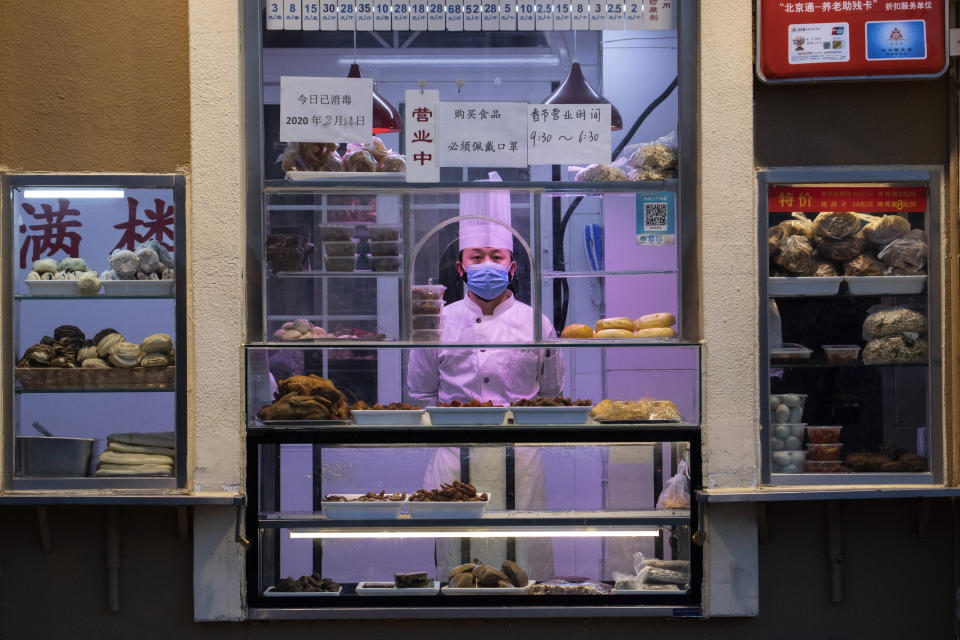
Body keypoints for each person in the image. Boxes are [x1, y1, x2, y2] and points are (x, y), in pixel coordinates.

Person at [407, 173, 565, 580]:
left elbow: (552, 393)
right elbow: (421, 392)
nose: (487, 265)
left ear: (512, 265)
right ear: (461, 266)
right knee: (458, 555)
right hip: (455, 457)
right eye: (477, 257)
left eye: (496, 256)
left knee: (522, 554)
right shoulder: (437, 322)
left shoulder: (536, 322)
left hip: (521, 457)